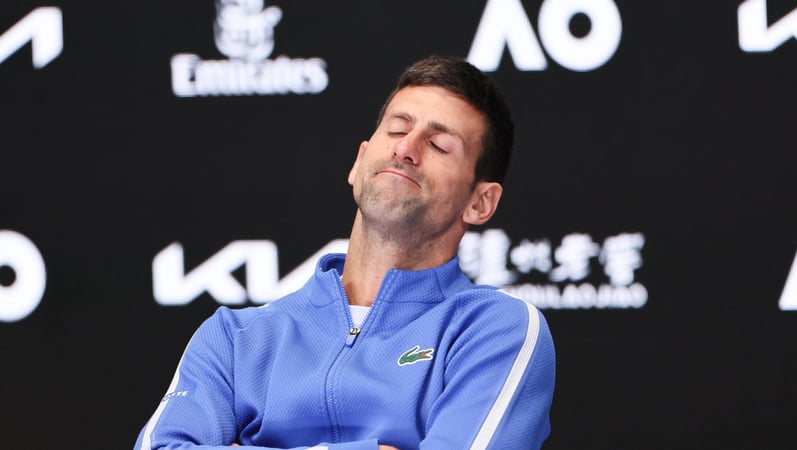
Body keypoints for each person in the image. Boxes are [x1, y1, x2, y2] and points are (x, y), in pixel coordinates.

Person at [134, 54, 556, 450]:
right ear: (359, 162)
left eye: (439, 145)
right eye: (397, 129)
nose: (406, 149)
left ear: (480, 202)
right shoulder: (234, 338)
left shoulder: (495, 330)